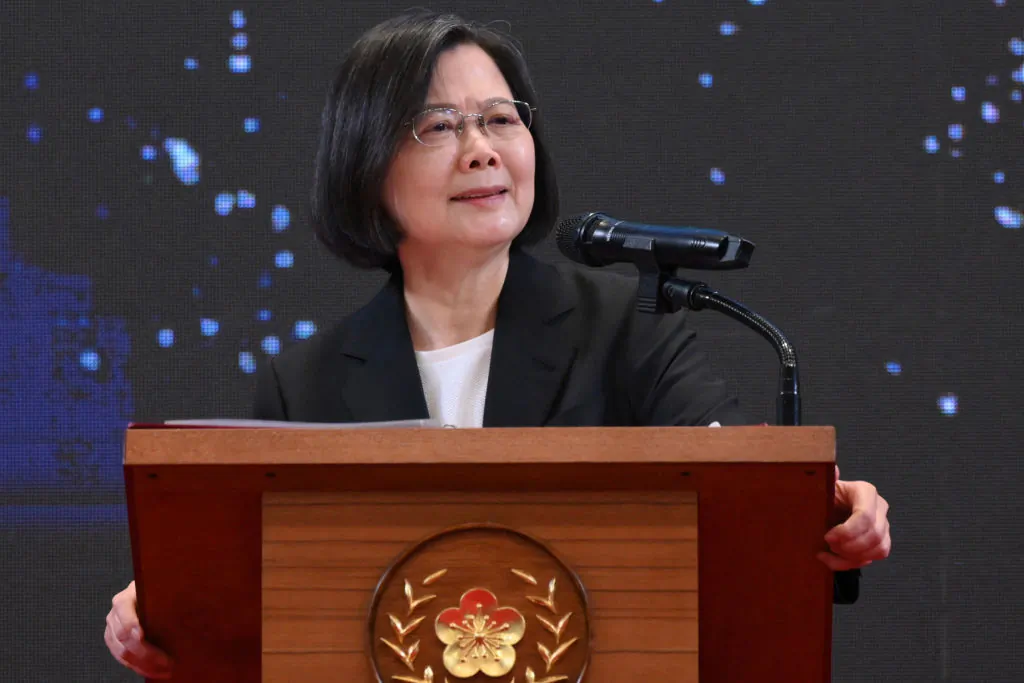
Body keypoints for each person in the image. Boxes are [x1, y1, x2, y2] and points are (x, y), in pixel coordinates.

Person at [104, 11, 891, 678]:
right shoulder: (304, 382)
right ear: (365, 163)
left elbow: (736, 494)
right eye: (440, 125)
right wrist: (166, 604)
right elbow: (274, 604)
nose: (481, 148)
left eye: (501, 119)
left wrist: (826, 512)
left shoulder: (625, 323)